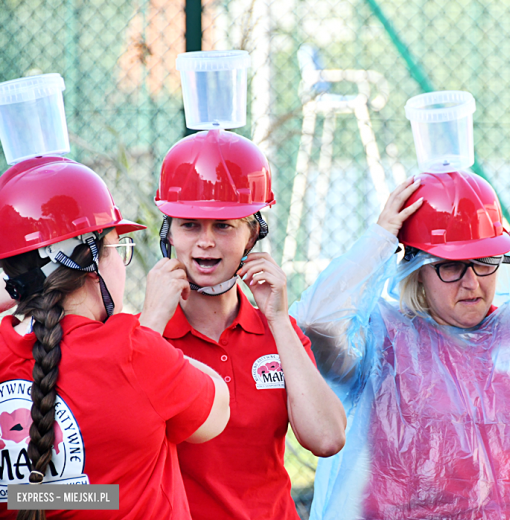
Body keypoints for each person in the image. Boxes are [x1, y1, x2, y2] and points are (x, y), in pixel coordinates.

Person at [290, 171, 510, 520]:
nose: (471, 284)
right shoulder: (381, 339)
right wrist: (379, 239)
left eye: (484, 262)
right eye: (450, 266)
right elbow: (316, 324)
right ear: (415, 266)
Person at [0, 156, 230, 520]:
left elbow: (50, 500)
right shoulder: (131, 351)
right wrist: (149, 327)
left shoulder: (3, 348)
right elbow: (217, 413)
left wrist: (25, 286)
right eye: (116, 250)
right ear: (90, 264)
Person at [149, 129, 346, 520]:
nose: (206, 241)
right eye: (190, 225)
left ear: (252, 235)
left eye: (224, 225)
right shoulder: (145, 334)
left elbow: (327, 437)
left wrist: (276, 319)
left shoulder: (278, 331)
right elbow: (99, 475)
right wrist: (150, 324)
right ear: (169, 233)